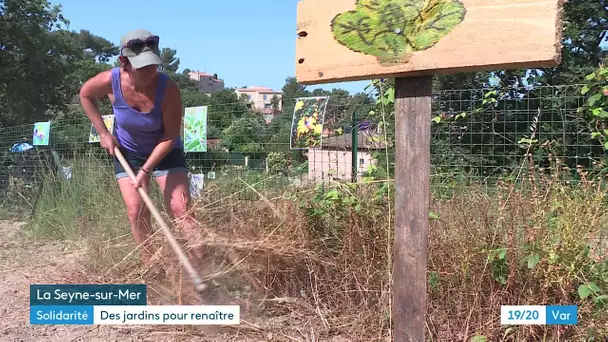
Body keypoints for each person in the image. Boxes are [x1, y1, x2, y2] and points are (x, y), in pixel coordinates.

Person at [79, 29, 201, 264]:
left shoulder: (169, 89)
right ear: (124, 62)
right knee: (137, 211)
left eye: (153, 65)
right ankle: (153, 268)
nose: (150, 72)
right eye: (142, 67)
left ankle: (201, 270)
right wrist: (104, 133)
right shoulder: (110, 81)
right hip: (129, 151)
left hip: (165, 150)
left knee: (181, 210)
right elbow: (85, 95)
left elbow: (170, 136)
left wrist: (146, 171)